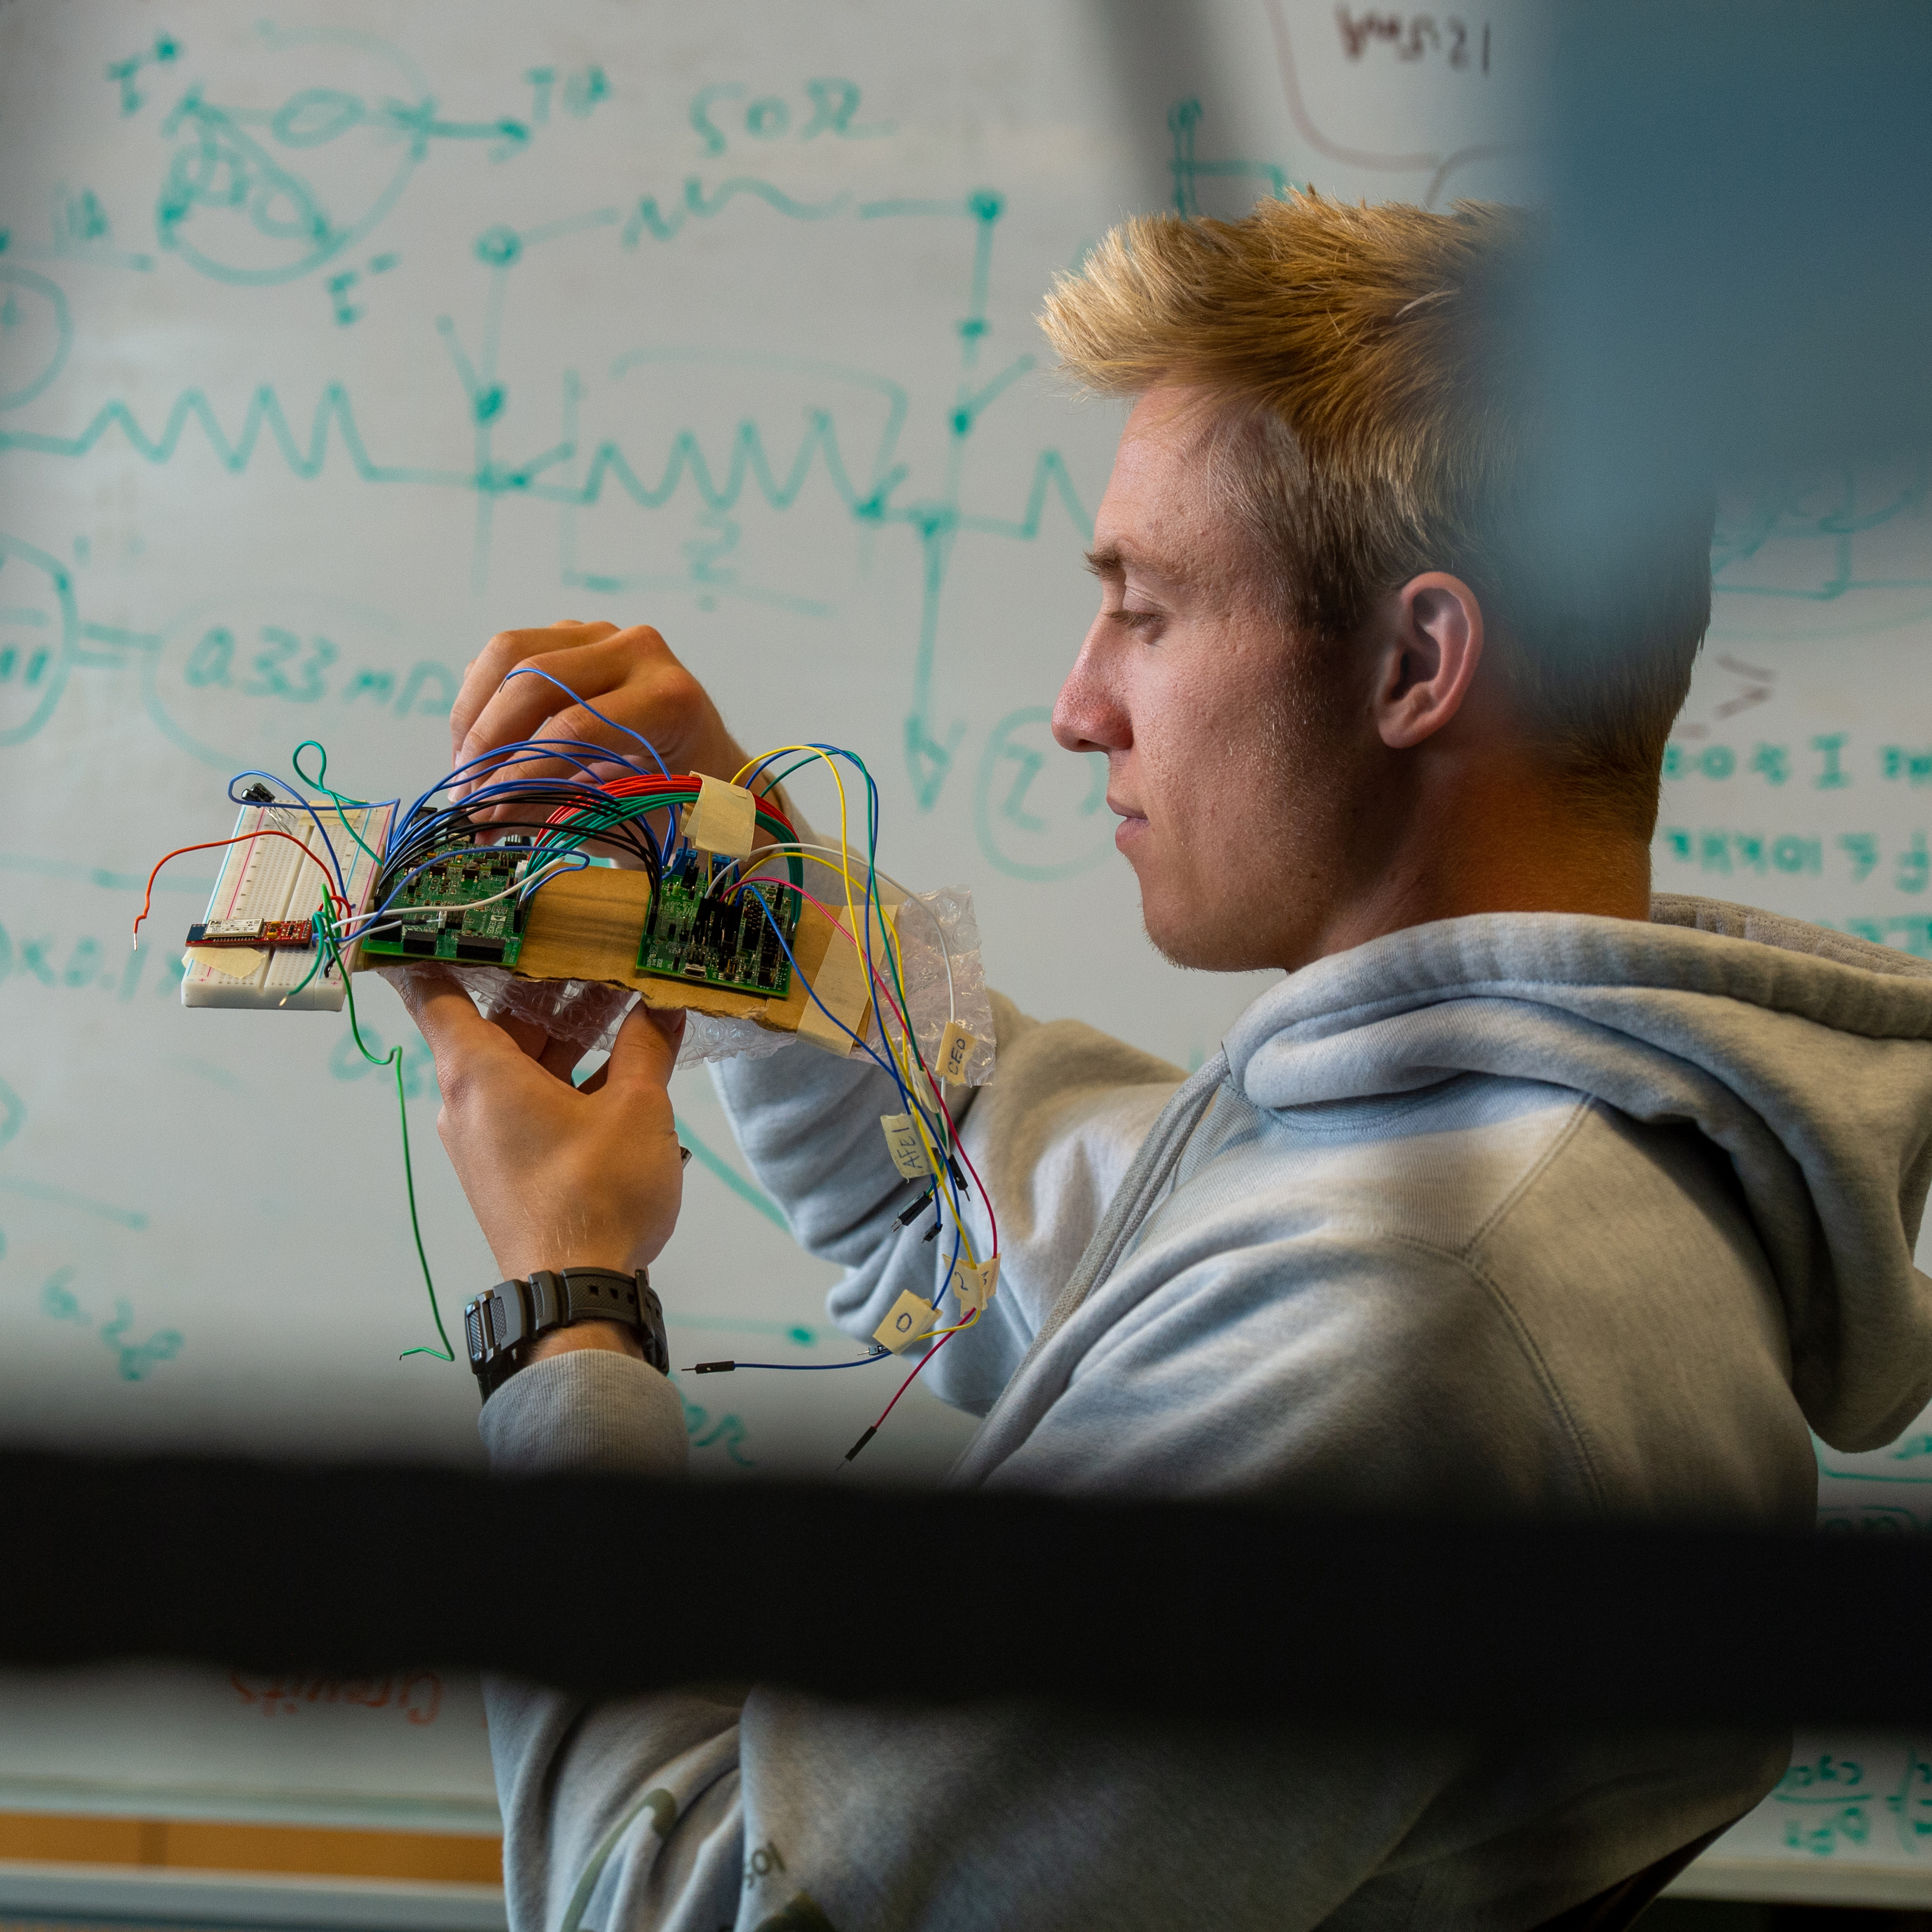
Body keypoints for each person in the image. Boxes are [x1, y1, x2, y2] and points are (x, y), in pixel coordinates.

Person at [395, 194, 1932, 1930]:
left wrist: (566, 1304)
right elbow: (977, 1196)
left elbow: (671, 1906)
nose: (1077, 706)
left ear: (1419, 663)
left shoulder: (1403, 1312)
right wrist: (739, 872)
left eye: (1147, 609)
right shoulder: (1556, 1150)